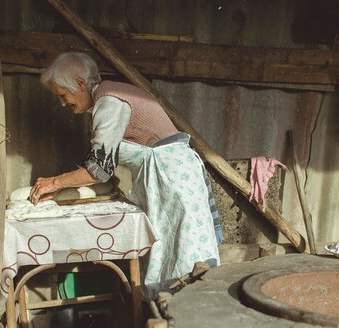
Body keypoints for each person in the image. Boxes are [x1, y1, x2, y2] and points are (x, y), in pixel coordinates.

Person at [29, 52, 222, 299]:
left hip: (172, 178)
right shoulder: (108, 98)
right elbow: (97, 159)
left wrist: (54, 182)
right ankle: (168, 316)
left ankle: (186, 318)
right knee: (170, 252)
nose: (63, 103)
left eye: (62, 96)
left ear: (79, 83)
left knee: (185, 252)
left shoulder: (110, 102)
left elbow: (99, 169)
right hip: (165, 177)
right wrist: (62, 184)